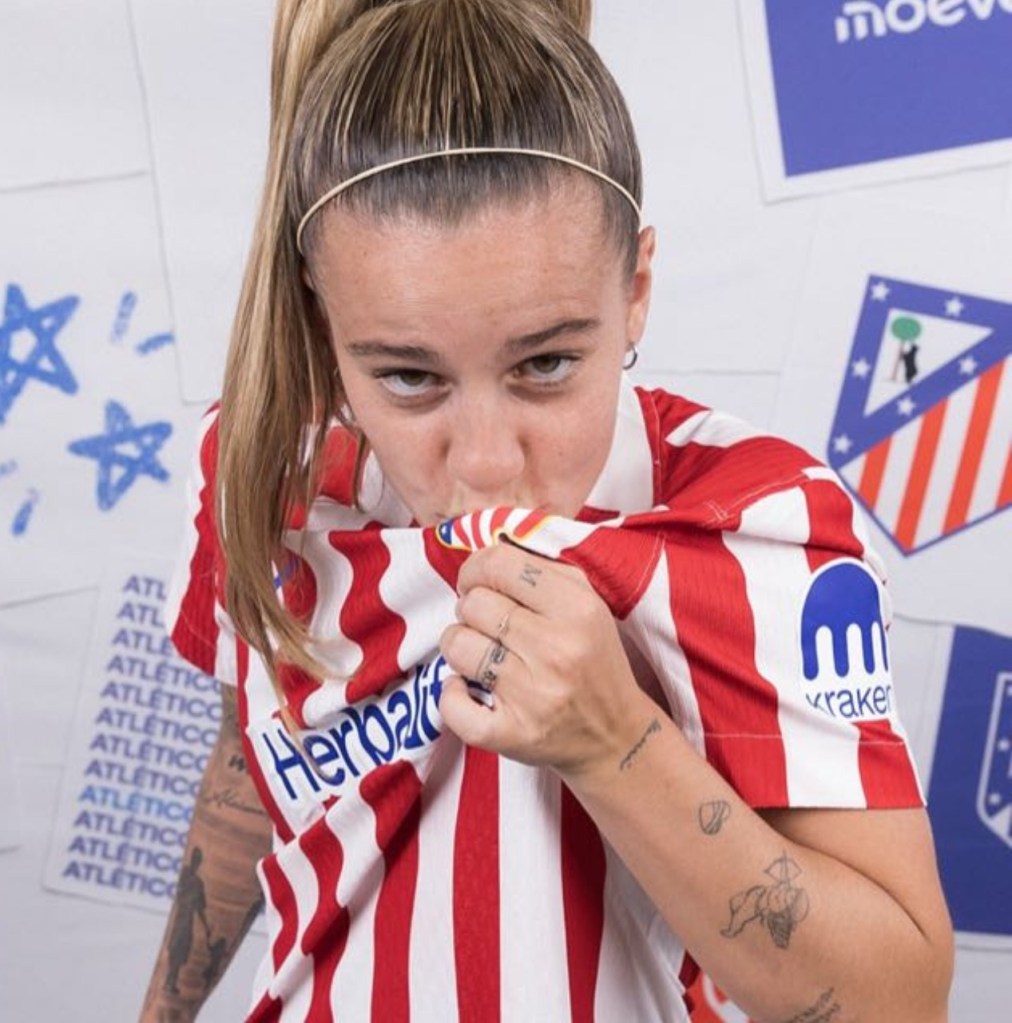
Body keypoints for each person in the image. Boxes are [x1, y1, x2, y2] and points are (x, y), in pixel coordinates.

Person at [139, 1, 954, 1020]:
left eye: (547, 364)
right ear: (319, 315)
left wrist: (616, 745)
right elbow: (250, 766)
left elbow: (900, 1000)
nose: (487, 464)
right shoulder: (261, 465)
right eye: (408, 378)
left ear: (636, 287)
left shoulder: (755, 521)